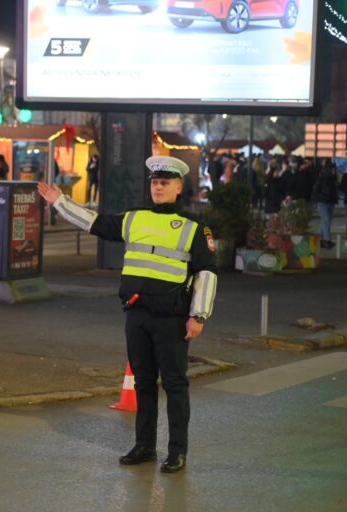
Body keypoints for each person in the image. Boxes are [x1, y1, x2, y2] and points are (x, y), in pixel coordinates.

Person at [37, 155, 217, 474]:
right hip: (137, 314)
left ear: (178, 186)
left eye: (165, 182)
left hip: (172, 319)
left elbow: (207, 272)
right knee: (144, 384)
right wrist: (59, 202)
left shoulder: (194, 226)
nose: (158, 187)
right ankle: (145, 446)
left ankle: (177, 451)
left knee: (175, 384)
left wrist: (198, 316)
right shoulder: (135, 218)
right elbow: (94, 223)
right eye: (154, 182)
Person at [312, 160, 339, 249]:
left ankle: (322, 240)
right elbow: (315, 190)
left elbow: (335, 191)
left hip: (330, 202)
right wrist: (322, 197)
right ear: (329, 170)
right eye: (333, 169)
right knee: (326, 220)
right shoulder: (322, 179)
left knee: (326, 221)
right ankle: (327, 240)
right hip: (322, 202)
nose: (334, 171)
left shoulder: (334, 179)